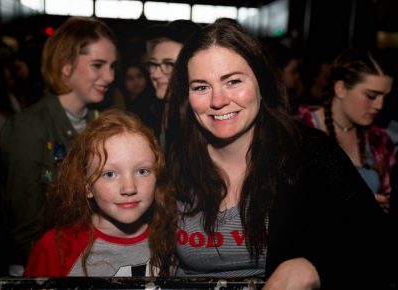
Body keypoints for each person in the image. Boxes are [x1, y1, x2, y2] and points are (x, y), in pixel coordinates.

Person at [165, 18, 394, 289]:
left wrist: (311, 269)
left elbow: (382, 250)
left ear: (262, 83)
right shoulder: (172, 161)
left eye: (233, 81)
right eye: (201, 87)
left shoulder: (310, 154)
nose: (217, 101)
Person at [0, 16, 118, 276]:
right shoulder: (28, 128)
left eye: (112, 66)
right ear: (65, 66)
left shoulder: (102, 122)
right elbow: (24, 230)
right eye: (98, 65)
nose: (109, 76)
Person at [23, 109, 176, 277]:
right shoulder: (55, 248)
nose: (129, 188)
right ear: (87, 186)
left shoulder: (172, 240)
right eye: (109, 174)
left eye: (142, 171)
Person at [297, 47, 395, 213]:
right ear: (340, 88)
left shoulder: (380, 139)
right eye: (371, 96)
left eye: (384, 97)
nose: (380, 105)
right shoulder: (298, 133)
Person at [143, 19, 201, 148]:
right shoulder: (150, 115)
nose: (155, 74)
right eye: (153, 64)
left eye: (169, 64)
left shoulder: (206, 124)